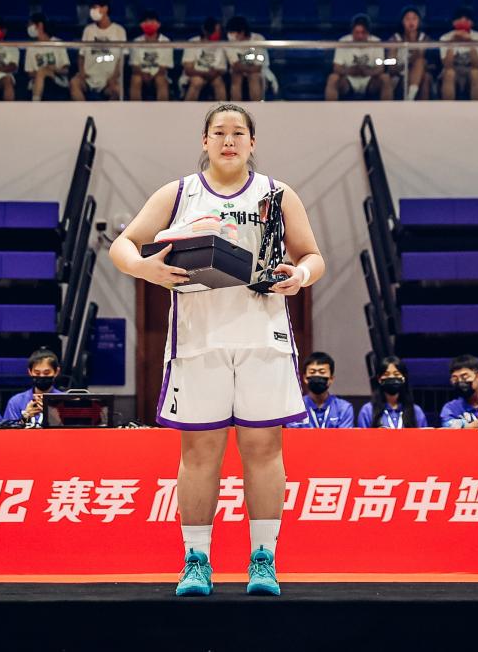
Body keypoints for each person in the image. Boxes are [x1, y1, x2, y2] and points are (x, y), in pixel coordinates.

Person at [109, 102, 326, 598]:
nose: (229, 141)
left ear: (252, 142)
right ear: (204, 141)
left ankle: (263, 559)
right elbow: (124, 245)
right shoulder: (178, 193)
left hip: (263, 337)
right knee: (199, 452)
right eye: (219, 132)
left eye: (238, 133)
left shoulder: (277, 194)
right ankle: (196, 561)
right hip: (197, 341)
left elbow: (313, 256)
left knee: (264, 449)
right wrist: (143, 268)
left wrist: (300, 275)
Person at [70, 0, 126, 101]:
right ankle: (83, 110)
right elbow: (81, 56)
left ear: (105, 8)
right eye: (91, 8)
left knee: (117, 90)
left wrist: (114, 78)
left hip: (109, 79)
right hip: (89, 78)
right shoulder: (88, 30)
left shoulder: (119, 30)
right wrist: (81, 74)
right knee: (74, 83)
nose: (92, 11)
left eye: (95, 7)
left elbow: (121, 59)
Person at [324, 14, 392, 101]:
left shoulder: (377, 42)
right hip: (348, 79)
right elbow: (337, 67)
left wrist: (368, 72)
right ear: (352, 32)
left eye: (363, 32)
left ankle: (387, 109)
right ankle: (330, 109)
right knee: (333, 78)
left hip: (370, 79)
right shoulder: (343, 42)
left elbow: (380, 68)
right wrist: (350, 71)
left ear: (368, 33)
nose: (360, 36)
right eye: (357, 32)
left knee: (385, 78)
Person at [284, 352, 354, 428]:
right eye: (312, 372)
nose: (317, 375)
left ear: (331, 378)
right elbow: (293, 435)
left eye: (322, 372)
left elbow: (345, 435)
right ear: (305, 378)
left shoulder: (344, 408)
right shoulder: (295, 409)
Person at [357, 356, 428, 428]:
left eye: (396, 374)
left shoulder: (416, 411)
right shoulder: (368, 410)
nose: (391, 377)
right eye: (386, 374)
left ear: (404, 378)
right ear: (379, 379)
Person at [2, 349, 66, 427]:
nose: (42, 376)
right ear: (30, 372)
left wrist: (52, 416)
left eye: (46, 373)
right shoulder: (16, 402)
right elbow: (6, 430)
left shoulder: (65, 401)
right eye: (37, 373)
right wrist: (25, 418)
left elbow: (73, 431)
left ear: (56, 372)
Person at [439, 7, 478, 101]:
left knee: (476, 73)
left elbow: (477, 65)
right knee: (449, 73)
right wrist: (452, 43)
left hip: (470, 70)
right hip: (453, 70)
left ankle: (477, 108)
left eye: (466, 20)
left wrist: (470, 42)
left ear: (472, 23)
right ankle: (447, 108)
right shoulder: (445, 38)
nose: (462, 22)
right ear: (453, 22)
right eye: (459, 19)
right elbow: (447, 65)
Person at [22, 12, 71, 102]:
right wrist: (42, 73)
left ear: (40, 25)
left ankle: (35, 103)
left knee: (44, 71)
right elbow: (30, 73)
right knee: (42, 71)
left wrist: (53, 69)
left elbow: (66, 70)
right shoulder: (31, 47)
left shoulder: (58, 43)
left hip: (57, 80)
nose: (28, 28)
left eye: (31, 25)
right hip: (36, 82)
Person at [225, 15, 275, 103]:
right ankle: (235, 107)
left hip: (259, 71)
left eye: (232, 32)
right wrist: (247, 68)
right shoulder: (229, 43)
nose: (229, 35)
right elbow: (235, 66)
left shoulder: (258, 39)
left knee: (254, 76)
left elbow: (258, 67)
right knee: (236, 76)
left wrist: (245, 68)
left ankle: (257, 107)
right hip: (239, 71)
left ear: (241, 32)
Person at [128, 10, 175, 102]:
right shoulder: (136, 42)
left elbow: (164, 67)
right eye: (146, 22)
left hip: (159, 74)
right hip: (141, 74)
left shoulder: (166, 41)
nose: (149, 24)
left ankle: (162, 109)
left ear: (158, 24)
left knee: (160, 79)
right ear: (141, 25)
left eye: (152, 22)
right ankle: (134, 109)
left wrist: (153, 76)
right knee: (136, 78)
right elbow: (135, 66)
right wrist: (144, 75)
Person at [388, 6, 433, 101]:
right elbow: (390, 64)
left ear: (419, 21)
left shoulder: (424, 39)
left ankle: (411, 98)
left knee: (425, 75)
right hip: (399, 73)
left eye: (414, 19)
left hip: (419, 75)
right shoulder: (395, 39)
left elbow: (428, 63)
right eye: (407, 19)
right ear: (402, 22)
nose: (411, 22)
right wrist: (403, 66)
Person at [180, 18, 229, 102]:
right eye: (215, 31)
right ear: (206, 31)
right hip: (195, 74)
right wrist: (205, 73)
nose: (217, 33)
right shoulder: (193, 42)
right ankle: (188, 108)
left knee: (219, 82)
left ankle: (222, 109)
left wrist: (214, 73)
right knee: (197, 81)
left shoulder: (221, 44)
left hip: (214, 75)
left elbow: (222, 69)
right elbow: (188, 69)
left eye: (219, 31)